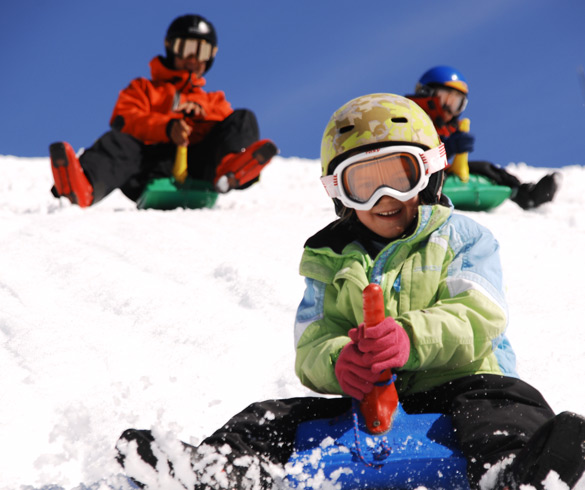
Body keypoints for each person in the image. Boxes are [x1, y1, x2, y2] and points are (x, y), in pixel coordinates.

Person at [115, 94, 585, 490]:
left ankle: (513, 472)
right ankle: (219, 471)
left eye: (399, 177)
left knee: (508, 403)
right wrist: (343, 362)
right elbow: (313, 343)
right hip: (369, 403)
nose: (382, 198)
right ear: (340, 193)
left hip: (460, 387)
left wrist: (408, 337)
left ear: (428, 174)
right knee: (268, 418)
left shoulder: (462, 238)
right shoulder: (330, 258)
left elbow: (479, 315)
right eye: (364, 183)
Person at [49, 14, 277, 208]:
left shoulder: (214, 100)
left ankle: (232, 171)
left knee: (243, 118)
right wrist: (168, 128)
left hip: (201, 167)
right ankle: (82, 186)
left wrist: (198, 124)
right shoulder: (144, 89)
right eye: (186, 48)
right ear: (171, 47)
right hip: (148, 165)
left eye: (201, 51)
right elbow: (124, 119)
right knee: (117, 142)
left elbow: (226, 131)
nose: (193, 58)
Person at [407, 65, 559, 210]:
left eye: (457, 103)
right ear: (427, 93)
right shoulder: (408, 117)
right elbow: (410, 161)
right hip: (409, 177)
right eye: (447, 99)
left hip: (439, 175)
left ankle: (525, 195)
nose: (450, 108)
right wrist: (447, 148)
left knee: (485, 169)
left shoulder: (446, 128)